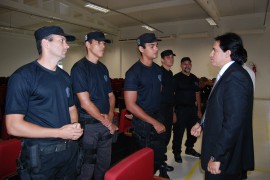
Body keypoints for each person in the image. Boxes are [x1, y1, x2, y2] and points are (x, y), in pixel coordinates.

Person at [5, 25, 84, 179]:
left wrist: (74, 126)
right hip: (42, 157)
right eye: (61, 40)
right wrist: (59, 133)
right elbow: (13, 126)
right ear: (46, 43)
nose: (67, 45)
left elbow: (72, 108)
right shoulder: (23, 76)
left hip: (69, 154)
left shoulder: (64, 76)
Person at [191, 32, 254, 180]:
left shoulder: (235, 77)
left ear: (227, 53)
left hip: (224, 157)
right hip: (220, 150)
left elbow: (233, 123)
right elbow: (218, 107)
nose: (210, 54)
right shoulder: (228, 74)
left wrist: (217, 156)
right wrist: (202, 124)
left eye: (215, 50)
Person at [71, 31, 118, 180]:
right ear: (87, 44)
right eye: (98, 42)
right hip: (90, 126)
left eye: (104, 43)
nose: (103, 46)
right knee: (87, 166)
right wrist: (106, 121)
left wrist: (110, 117)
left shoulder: (103, 68)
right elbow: (85, 103)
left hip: (105, 125)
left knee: (104, 164)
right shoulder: (79, 68)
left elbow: (111, 96)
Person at [124, 33, 169, 178]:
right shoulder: (133, 72)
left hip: (157, 115)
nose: (156, 49)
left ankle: (158, 172)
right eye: (152, 46)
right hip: (144, 124)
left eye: (157, 45)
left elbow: (156, 91)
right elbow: (130, 105)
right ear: (141, 49)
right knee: (145, 158)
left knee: (159, 152)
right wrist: (152, 121)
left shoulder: (158, 70)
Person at [172, 57, 202, 163]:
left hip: (192, 110)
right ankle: (177, 152)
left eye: (189, 64)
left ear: (191, 65)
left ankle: (189, 148)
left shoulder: (195, 79)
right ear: (181, 65)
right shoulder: (176, 78)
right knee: (178, 133)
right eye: (185, 64)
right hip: (180, 110)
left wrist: (199, 110)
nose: (187, 66)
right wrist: (173, 112)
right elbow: (171, 96)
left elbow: (197, 94)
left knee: (193, 132)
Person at [160, 49, 176, 172]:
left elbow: (172, 94)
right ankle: (160, 163)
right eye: (168, 57)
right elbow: (157, 93)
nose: (171, 59)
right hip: (161, 109)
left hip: (169, 109)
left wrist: (173, 111)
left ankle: (162, 160)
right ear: (162, 59)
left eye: (172, 57)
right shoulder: (159, 72)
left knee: (167, 135)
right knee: (162, 136)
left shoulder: (170, 74)